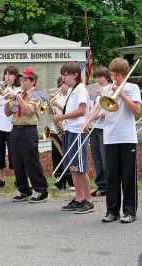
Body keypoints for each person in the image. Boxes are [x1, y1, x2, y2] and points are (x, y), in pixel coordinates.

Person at [101, 58, 141, 223]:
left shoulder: (133, 88)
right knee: (111, 176)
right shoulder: (107, 89)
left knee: (128, 176)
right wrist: (89, 119)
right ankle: (112, 211)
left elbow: (136, 110)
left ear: (124, 75)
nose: (113, 78)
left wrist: (121, 94)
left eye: (117, 75)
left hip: (127, 137)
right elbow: (102, 112)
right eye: (111, 74)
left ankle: (130, 211)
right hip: (110, 136)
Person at [52, 62, 94, 214]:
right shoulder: (72, 90)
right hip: (69, 130)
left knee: (80, 168)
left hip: (78, 131)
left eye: (66, 74)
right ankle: (78, 198)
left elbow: (82, 111)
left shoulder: (81, 89)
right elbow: (71, 109)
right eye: (63, 74)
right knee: (73, 167)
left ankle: (88, 200)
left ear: (75, 75)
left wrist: (61, 117)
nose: (63, 78)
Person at [5, 68, 49, 203]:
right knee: (17, 160)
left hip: (28, 130)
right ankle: (24, 189)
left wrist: (18, 97)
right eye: (21, 79)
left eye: (25, 80)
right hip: (15, 129)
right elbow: (8, 112)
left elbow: (29, 111)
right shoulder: (20, 93)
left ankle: (41, 190)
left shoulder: (37, 94)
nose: (22, 82)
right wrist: (6, 99)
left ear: (32, 81)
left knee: (31, 160)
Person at [0, 66, 20, 188]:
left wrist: (8, 95)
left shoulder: (19, 90)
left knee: (13, 153)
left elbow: (15, 107)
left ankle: (17, 178)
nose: (7, 76)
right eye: (6, 74)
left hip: (11, 126)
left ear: (15, 76)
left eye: (10, 74)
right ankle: (1, 178)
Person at [89, 66, 111, 197]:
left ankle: (109, 184)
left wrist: (95, 116)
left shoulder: (110, 89)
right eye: (96, 77)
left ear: (106, 77)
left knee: (105, 157)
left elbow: (108, 109)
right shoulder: (96, 92)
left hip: (104, 127)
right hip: (94, 127)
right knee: (96, 157)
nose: (97, 79)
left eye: (100, 77)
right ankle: (101, 184)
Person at [49, 77, 74, 190]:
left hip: (66, 129)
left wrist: (57, 104)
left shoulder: (70, 97)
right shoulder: (57, 97)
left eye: (63, 84)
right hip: (56, 129)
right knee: (56, 157)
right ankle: (59, 181)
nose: (61, 86)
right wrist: (50, 105)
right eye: (59, 84)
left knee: (67, 156)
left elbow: (69, 111)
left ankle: (72, 182)